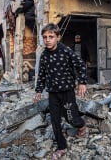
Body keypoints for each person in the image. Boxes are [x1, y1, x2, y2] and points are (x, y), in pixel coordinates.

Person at [34, 23, 87, 159]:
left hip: (67, 92)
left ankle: (81, 125)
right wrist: (38, 91)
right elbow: (41, 74)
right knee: (55, 121)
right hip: (53, 93)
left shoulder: (66, 51)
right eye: (45, 37)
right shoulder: (44, 55)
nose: (48, 40)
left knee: (71, 118)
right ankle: (61, 147)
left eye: (51, 37)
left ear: (58, 37)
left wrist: (82, 82)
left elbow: (80, 64)